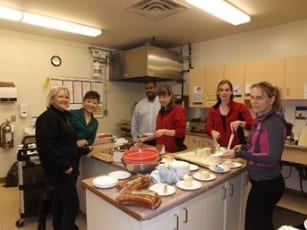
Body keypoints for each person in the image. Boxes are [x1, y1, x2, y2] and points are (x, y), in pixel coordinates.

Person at [222, 81, 286, 230]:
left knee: (254, 225)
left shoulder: (274, 122)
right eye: (252, 97)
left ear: (271, 99)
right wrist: (244, 146)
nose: (254, 102)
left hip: (268, 184)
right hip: (260, 183)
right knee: (262, 224)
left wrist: (240, 153)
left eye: (259, 98)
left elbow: (272, 157)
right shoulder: (259, 119)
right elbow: (257, 148)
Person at [35, 86, 79, 230]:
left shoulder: (63, 116)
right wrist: (64, 166)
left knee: (60, 203)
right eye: (60, 96)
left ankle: (58, 226)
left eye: (66, 97)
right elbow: (46, 148)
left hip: (66, 167)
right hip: (60, 170)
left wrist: (82, 149)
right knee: (72, 207)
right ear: (52, 99)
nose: (64, 100)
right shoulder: (48, 117)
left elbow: (64, 142)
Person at [205, 79, 254, 148]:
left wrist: (240, 123)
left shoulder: (240, 107)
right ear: (218, 93)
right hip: (220, 149)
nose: (224, 92)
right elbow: (207, 126)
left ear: (231, 92)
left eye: (227, 90)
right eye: (221, 90)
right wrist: (211, 132)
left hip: (237, 149)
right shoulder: (212, 110)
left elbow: (252, 124)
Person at [138, 84, 187, 153]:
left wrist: (164, 131)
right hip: (161, 150)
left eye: (164, 97)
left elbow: (181, 132)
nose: (161, 100)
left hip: (173, 151)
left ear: (170, 96)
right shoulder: (161, 112)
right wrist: (145, 139)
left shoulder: (178, 110)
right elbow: (158, 133)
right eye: (160, 97)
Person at [131, 80, 160, 146]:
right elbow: (134, 124)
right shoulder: (140, 104)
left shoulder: (161, 103)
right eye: (147, 88)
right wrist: (135, 140)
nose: (149, 90)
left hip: (158, 140)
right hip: (142, 140)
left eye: (151, 88)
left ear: (156, 88)